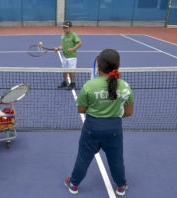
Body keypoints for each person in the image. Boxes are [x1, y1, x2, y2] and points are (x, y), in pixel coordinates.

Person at [64, 49, 134, 196]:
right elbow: (128, 112)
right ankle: (121, 186)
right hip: (114, 129)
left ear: (98, 66)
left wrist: (98, 109)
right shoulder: (125, 87)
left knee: (83, 158)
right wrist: (111, 114)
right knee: (116, 159)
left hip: (91, 128)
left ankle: (73, 184)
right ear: (118, 66)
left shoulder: (89, 86)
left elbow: (81, 109)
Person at [54, 21, 82, 90]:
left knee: (71, 71)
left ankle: (72, 83)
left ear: (70, 28)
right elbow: (62, 46)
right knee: (64, 70)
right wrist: (58, 48)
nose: (64, 29)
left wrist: (72, 49)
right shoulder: (63, 36)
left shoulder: (73, 35)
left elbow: (80, 43)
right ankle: (64, 82)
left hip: (72, 57)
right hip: (65, 56)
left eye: (66, 28)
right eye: (64, 28)